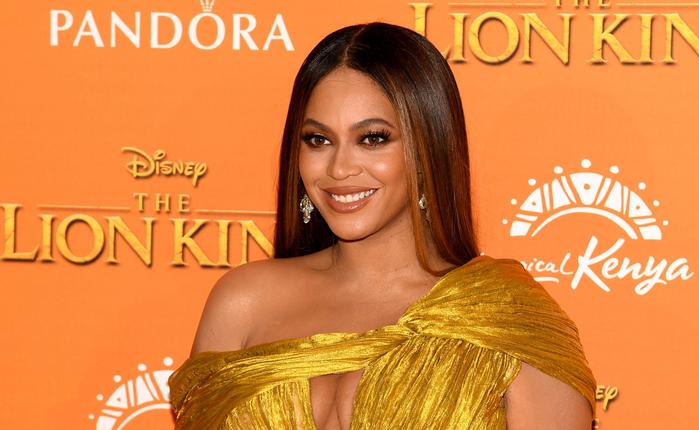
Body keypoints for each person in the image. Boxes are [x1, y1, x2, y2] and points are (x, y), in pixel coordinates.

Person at [168, 22, 596, 429]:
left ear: (429, 147)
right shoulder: (243, 302)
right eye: (318, 140)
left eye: (372, 138)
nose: (339, 168)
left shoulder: (503, 319)